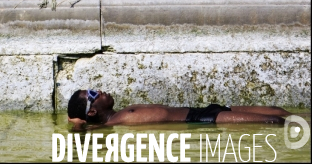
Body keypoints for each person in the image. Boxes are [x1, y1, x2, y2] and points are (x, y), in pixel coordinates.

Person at [67, 90, 290, 127]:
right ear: (92, 111)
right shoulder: (113, 123)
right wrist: (76, 122)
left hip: (201, 109)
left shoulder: (123, 111)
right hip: (198, 120)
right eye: (94, 95)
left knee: (276, 110)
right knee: (273, 122)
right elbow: (82, 135)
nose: (101, 92)